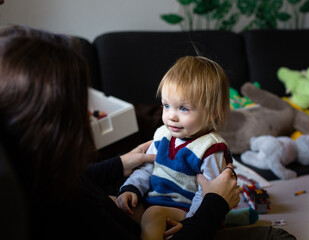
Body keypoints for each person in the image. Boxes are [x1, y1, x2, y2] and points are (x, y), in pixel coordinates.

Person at [0, 25, 241, 240]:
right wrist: (215, 204)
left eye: (184, 108)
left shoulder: (32, 172)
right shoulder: (61, 206)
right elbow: (153, 174)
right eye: (82, 101)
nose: (89, 113)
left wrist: (120, 167)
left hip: (180, 211)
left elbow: (140, 169)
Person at [116, 56, 240, 239]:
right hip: (152, 201)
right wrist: (130, 189)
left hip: (184, 210)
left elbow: (209, 194)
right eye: (167, 106)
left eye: (183, 108)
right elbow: (147, 167)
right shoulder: (162, 134)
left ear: (212, 111)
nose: (171, 116)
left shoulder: (211, 148)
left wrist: (191, 222)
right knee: (111, 204)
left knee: (153, 215)